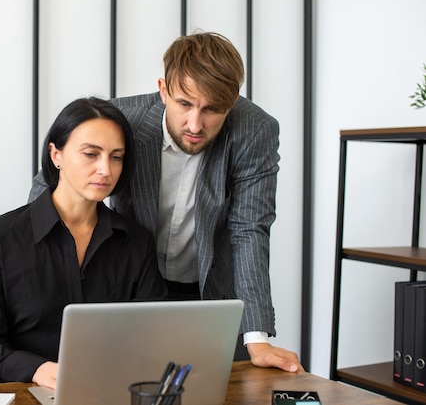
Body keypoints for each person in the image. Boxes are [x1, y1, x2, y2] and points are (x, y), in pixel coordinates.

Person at [30, 32, 302, 373]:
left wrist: (256, 335)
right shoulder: (120, 120)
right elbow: (51, 183)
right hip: (129, 292)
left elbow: (250, 229)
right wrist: (45, 276)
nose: (195, 124)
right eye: (184, 104)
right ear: (163, 89)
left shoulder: (255, 130)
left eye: (213, 109)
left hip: (210, 294)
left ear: (232, 102)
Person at [0, 97, 167, 389]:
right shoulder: (0, 238)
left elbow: (153, 337)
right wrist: (37, 370)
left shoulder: (135, 242)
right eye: (91, 154)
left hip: (110, 391)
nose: (106, 169)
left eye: (116, 156)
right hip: (28, 393)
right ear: (56, 155)